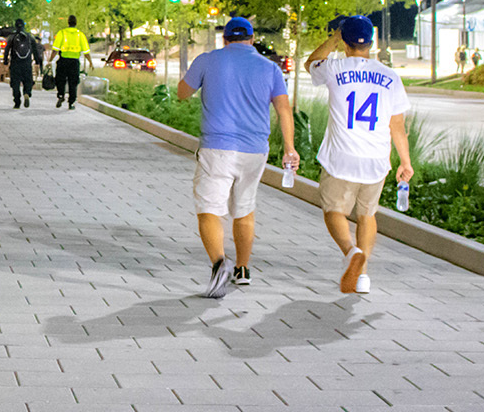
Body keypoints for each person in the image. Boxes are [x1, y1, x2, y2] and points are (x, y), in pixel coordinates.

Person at [177, 16, 296, 298]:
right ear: (252, 40)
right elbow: (284, 110)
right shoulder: (270, 68)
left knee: (209, 209)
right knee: (244, 209)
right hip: (255, 150)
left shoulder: (208, 60)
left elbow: (183, 93)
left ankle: (220, 264)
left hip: (217, 147)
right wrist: (290, 148)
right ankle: (242, 269)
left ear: (225, 39)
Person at [305, 16, 413, 294]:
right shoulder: (390, 76)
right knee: (367, 214)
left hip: (341, 157)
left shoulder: (334, 68)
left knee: (333, 211)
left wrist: (332, 39)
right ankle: (363, 277)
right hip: (376, 160)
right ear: (372, 42)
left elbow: (310, 63)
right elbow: (397, 126)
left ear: (345, 41)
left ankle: (351, 251)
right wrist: (405, 161)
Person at [51, 15, 94, 110]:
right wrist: (90, 62)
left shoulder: (62, 33)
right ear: (76, 23)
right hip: (74, 62)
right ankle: (71, 103)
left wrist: (50, 60)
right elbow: (86, 52)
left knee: (60, 80)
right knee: (73, 83)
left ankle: (61, 95)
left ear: (68, 22)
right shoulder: (80, 35)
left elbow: (55, 49)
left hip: (63, 61)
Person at [4, 18, 44, 109]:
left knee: (15, 83)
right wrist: (37, 62)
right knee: (28, 81)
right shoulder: (30, 37)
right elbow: (35, 50)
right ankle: (27, 93)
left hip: (15, 64)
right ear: (24, 26)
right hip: (27, 63)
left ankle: (17, 101)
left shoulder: (12, 37)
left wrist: (6, 62)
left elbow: (7, 50)